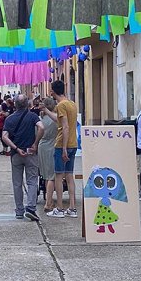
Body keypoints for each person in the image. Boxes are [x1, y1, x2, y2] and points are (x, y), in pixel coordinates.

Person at [2, 94, 44, 221]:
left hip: (16, 154)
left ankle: (19, 210)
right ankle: (31, 207)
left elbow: (4, 136)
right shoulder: (32, 116)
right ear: (27, 104)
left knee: (17, 183)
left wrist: (15, 148)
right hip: (30, 152)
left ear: (15, 104)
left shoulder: (9, 119)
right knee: (31, 181)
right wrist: (35, 143)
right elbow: (41, 127)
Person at [45, 80, 79, 219]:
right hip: (73, 144)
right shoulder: (71, 104)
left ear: (54, 91)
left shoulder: (61, 105)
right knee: (70, 176)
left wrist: (63, 148)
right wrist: (46, 110)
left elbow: (64, 127)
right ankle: (72, 208)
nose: (50, 92)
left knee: (58, 177)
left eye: (51, 90)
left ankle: (59, 208)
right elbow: (59, 121)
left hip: (62, 145)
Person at [38, 97, 60, 213]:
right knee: (52, 176)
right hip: (52, 146)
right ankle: (48, 203)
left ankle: (49, 199)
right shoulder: (55, 119)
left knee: (46, 175)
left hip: (42, 147)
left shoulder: (40, 118)